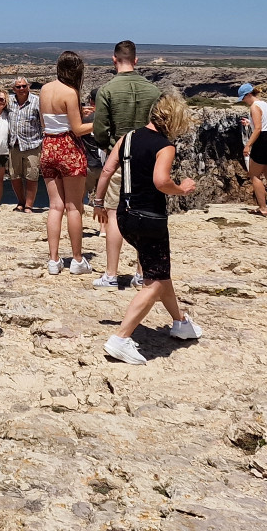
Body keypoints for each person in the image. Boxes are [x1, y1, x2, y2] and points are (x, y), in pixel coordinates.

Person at [103, 92, 204, 364]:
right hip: (150, 218)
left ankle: (180, 322)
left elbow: (107, 169)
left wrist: (99, 202)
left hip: (125, 215)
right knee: (155, 281)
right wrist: (182, 189)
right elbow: (161, 181)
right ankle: (121, 338)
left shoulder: (128, 137)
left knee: (159, 271)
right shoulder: (165, 146)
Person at [91, 41, 159, 288]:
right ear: (136, 60)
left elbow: (100, 130)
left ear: (114, 59)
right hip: (148, 161)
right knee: (142, 216)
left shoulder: (107, 90)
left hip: (119, 158)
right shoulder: (153, 91)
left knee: (113, 215)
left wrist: (110, 146)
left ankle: (111, 274)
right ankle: (141, 273)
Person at [38, 51, 97, 276]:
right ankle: (77, 260)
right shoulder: (70, 92)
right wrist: (98, 118)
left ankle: (53, 260)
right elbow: (78, 129)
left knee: (55, 206)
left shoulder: (44, 89)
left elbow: (49, 121)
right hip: (68, 149)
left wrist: (79, 114)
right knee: (74, 206)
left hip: (48, 146)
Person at [239, 82, 267, 217]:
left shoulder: (254, 107)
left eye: (244, 98)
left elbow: (258, 129)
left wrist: (248, 145)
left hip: (261, 141)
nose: (244, 101)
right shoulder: (264, 104)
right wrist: (249, 123)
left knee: (254, 175)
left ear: (249, 94)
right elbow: (263, 123)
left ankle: (262, 207)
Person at [5, 78, 43, 212]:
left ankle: (28, 205)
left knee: (32, 176)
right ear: (13, 89)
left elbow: (43, 121)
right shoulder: (8, 101)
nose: (21, 89)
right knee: (15, 176)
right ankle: (20, 202)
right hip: (14, 144)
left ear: (29, 86)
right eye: (18, 87)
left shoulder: (37, 101)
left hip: (32, 144)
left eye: (24, 86)